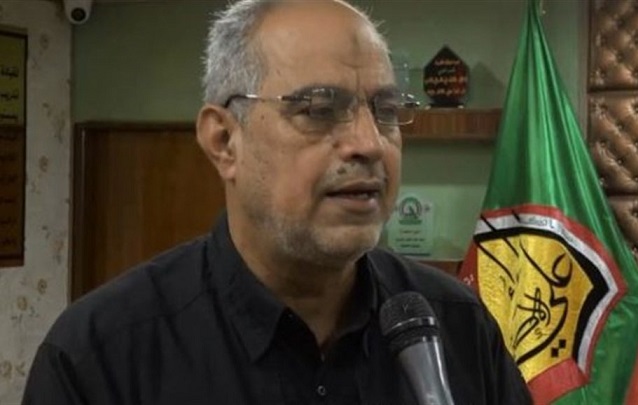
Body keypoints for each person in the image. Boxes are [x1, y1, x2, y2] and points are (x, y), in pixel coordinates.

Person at [22, 0, 532, 404]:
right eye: (319, 109)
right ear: (224, 141)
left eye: (386, 110)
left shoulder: (458, 326)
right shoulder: (100, 355)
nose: (370, 143)